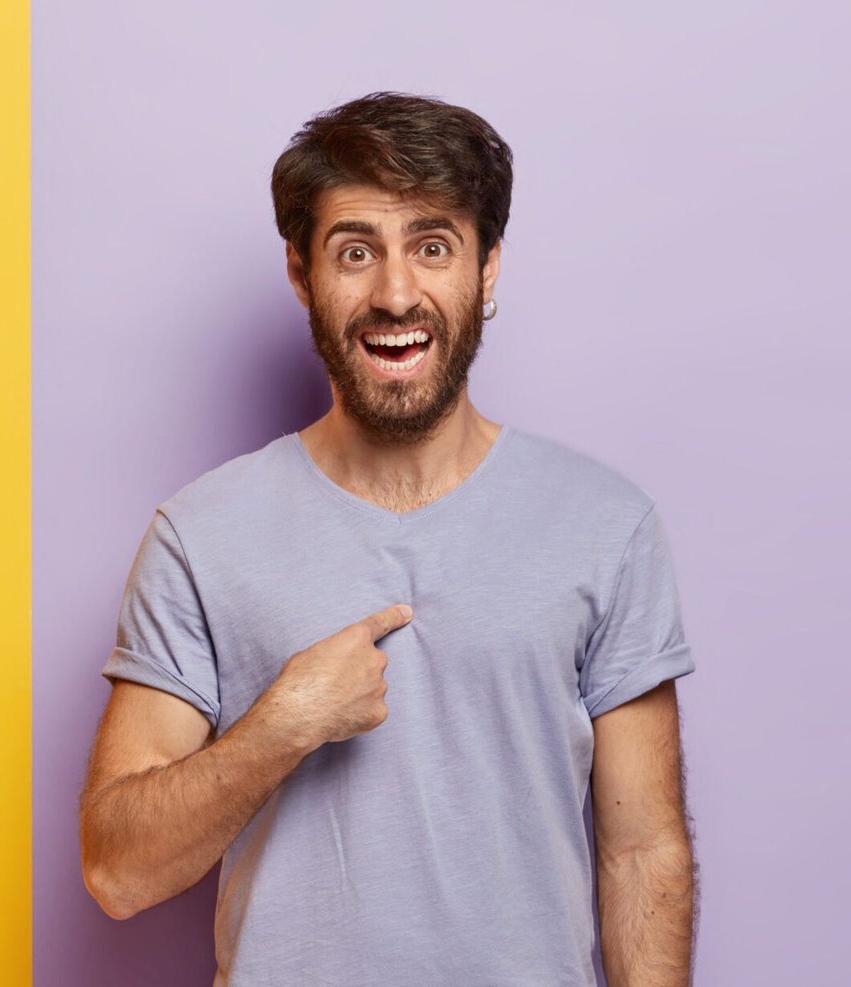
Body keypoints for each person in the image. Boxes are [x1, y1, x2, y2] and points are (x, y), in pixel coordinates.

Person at [79, 93, 695, 986]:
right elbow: (116, 872)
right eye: (355, 251)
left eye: (434, 246)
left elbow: (644, 851)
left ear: (487, 270)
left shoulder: (606, 526)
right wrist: (279, 726)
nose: (395, 292)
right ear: (302, 274)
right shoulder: (200, 534)